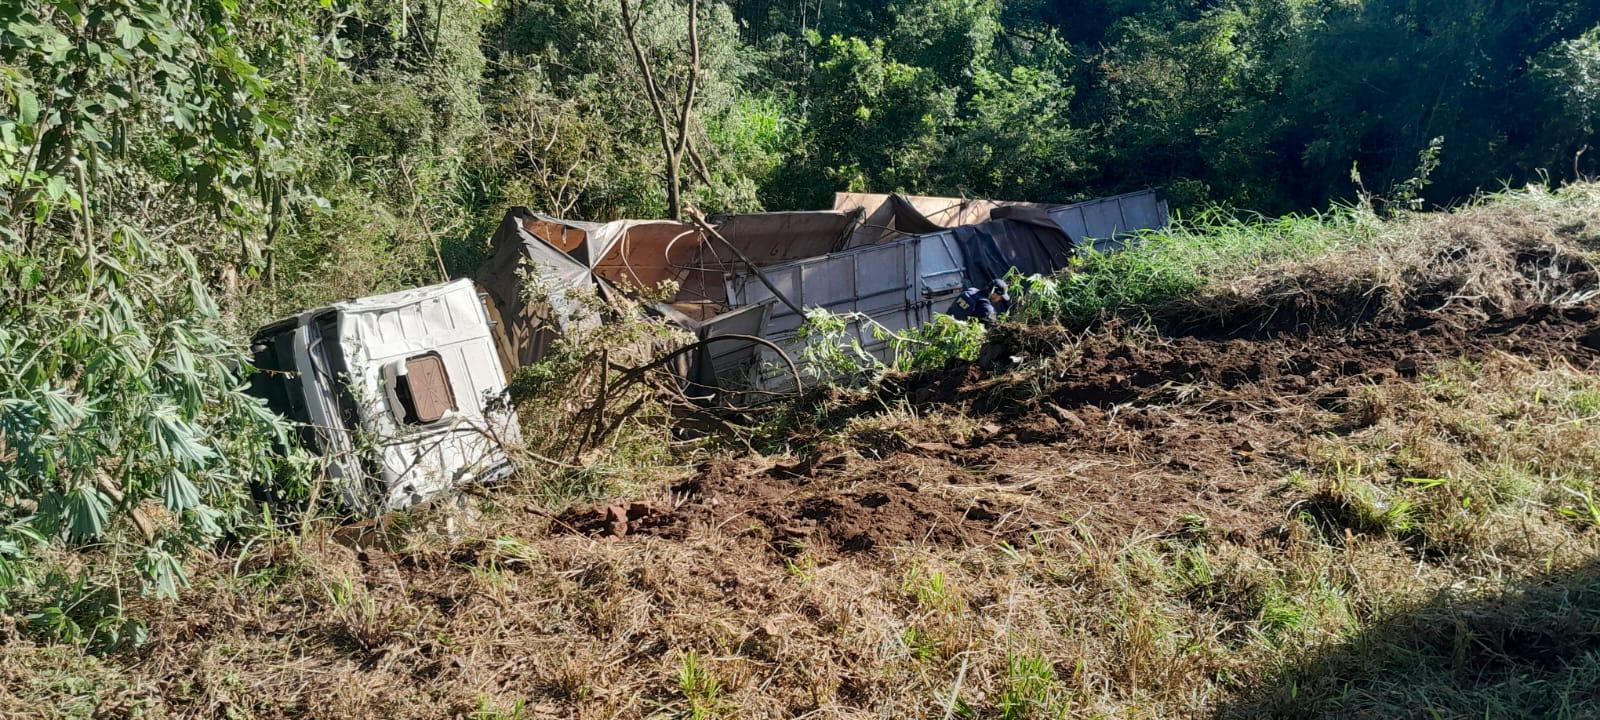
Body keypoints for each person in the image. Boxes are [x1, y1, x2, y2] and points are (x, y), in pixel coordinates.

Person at [946, 279, 1010, 326]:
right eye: (1000, 297)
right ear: (994, 294)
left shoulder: (971, 290)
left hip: (945, 324)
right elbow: (993, 326)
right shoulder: (986, 307)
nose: (1000, 299)